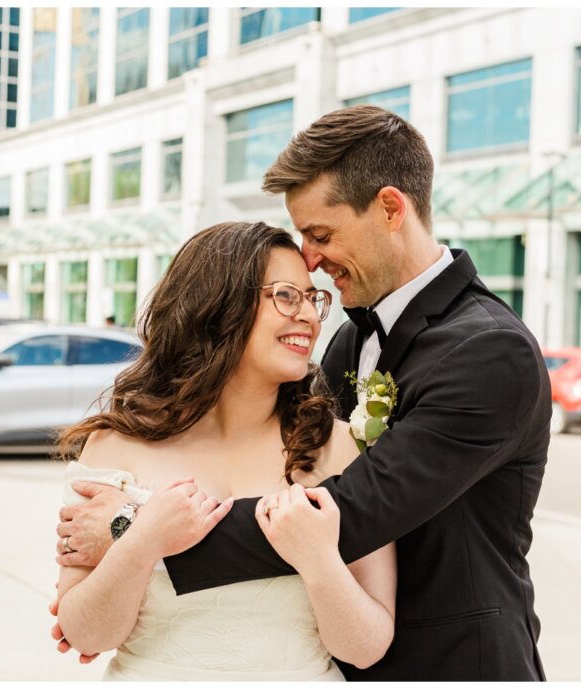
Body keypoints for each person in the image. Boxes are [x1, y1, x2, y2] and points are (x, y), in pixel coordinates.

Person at [55, 105, 551, 680]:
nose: (312, 259)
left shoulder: (490, 352)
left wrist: (130, 529)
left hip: (451, 662)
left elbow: (350, 512)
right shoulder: (346, 345)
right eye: (288, 288)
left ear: (390, 208)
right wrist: (113, 591)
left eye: (321, 235)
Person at [52, 220, 397, 681]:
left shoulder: (338, 449)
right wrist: (142, 537)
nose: (312, 318)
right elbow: (86, 636)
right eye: (286, 296)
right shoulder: (117, 446)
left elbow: (367, 646)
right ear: (218, 304)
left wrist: (319, 562)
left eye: (313, 298)